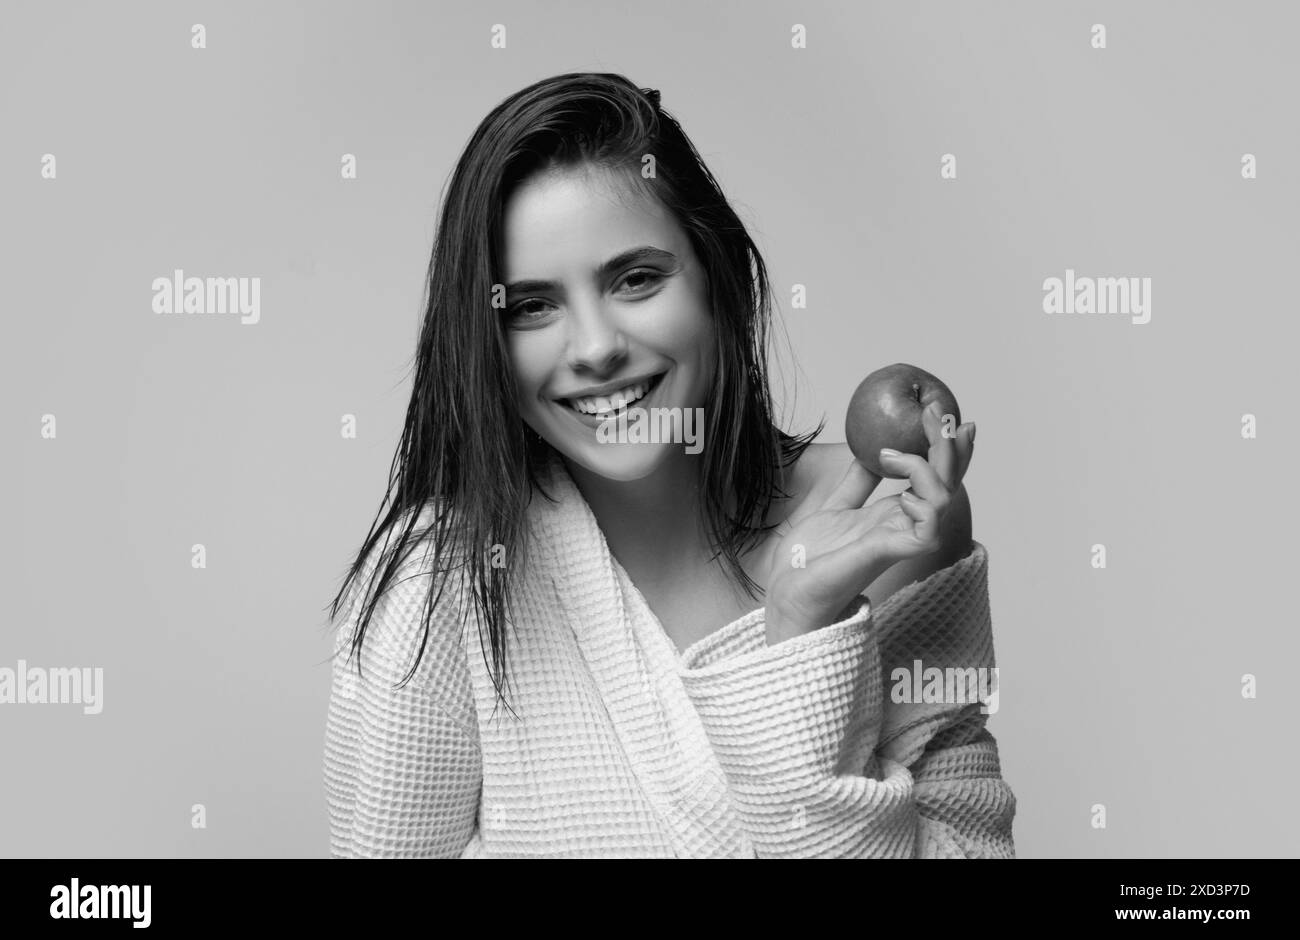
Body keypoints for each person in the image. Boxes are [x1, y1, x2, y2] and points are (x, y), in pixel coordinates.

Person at [321, 72, 1015, 858]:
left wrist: (802, 634)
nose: (594, 348)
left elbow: (969, 848)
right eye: (531, 307)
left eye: (636, 279)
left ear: (722, 282)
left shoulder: (894, 534)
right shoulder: (435, 583)